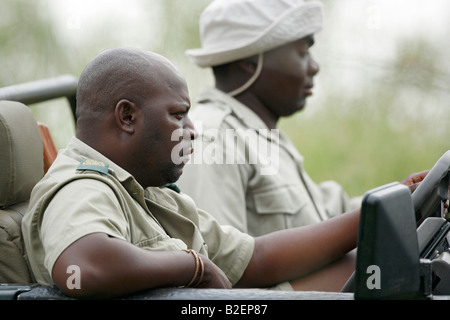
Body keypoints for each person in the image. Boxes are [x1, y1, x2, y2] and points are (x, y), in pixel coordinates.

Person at [21, 47, 426, 300]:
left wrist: (393, 207)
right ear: (127, 116)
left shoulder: (148, 193)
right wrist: (191, 266)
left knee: (369, 266)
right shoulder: (81, 185)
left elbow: (257, 257)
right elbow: (82, 270)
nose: (192, 129)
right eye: (178, 114)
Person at [176, 0, 364, 236]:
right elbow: (216, 263)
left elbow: (325, 219)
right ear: (248, 62)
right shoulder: (211, 137)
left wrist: (404, 195)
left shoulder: (263, 138)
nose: (314, 66)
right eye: (303, 52)